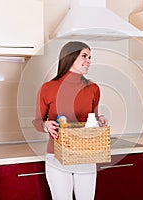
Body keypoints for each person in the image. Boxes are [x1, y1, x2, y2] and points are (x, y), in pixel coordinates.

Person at [34, 41, 108, 200]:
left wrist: (99, 120)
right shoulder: (48, 88)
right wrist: (46, 125)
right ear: (70, 57)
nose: (89, 60)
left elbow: (91, 119)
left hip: (86, 156)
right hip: (57, 157)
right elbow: (38, 122)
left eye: (90, 57)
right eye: (84, 56)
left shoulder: (93, 88)